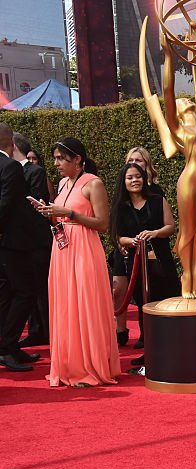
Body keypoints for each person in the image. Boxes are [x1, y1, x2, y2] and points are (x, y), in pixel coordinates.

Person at [34, 137, 119, 387]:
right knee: (66, 305)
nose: (56, 163)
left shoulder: (94, 183)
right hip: (62, 249)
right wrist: (50, 214)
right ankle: (70, 365)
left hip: (85, 248)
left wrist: (69, 214)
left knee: (85, 304)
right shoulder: (62, 183)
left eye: (61, 158)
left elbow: (103, 224)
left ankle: (89, 367)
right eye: (55, 158)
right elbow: (63, 218)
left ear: (78, 159)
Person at [108, 162, 178, 363]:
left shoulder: (157, 200)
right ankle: (151, 352)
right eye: (129, 178)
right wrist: (132, 241)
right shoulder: (120, 207)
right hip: (136, 263)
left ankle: (171, 349)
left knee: (166, 302)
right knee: (143, 305)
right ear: (124, 181)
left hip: (161, 262)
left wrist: (154, 233)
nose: (134, 181)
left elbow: (171, 226)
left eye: (137, 176)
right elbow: (117, 236)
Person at [0, 124, 48, 371]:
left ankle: (9, 347)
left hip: (7, 243)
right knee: (26, 291)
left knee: (7, 293)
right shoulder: (9, 168)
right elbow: (7, 206)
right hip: (13, 244)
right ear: (11, 144)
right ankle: (7, 346)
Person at [113, 147, 165, 347]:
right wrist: (122, 242)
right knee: (119, 290)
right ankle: (120, 330)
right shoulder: (122, 193)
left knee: (147, 293)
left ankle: (148, 336)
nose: (136, 163)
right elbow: (115, 224)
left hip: (149, 252)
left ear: (147, 165)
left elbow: (166, 224)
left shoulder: (156, 193)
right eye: (131, 160)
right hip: (125, 247)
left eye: (140, 161)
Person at [12, 132, 52, 348]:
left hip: (37, 241)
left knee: (41, 290)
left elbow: (37, 201)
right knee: (29, 288)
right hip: (21, 242)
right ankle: (36, 331)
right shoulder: (14, 170)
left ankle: (48, 331)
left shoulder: (35, 171)